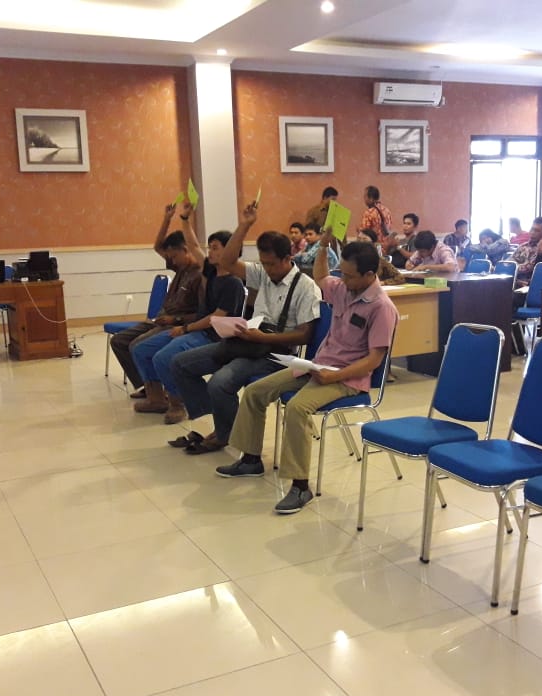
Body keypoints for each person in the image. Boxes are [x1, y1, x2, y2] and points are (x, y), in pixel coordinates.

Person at [217, 235, 398, 515]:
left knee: (297, 408)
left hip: (348, 378)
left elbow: (374, 360)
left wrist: (335, 376)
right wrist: (323, 246)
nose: (343, 280)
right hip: (318, 365)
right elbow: (322, 276)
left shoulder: (382, 308)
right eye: (342, 274)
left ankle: (301, 486)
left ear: (369, 274)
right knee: (255, 392)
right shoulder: (344, 289)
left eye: (349, 276)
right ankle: (251, 459)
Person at [170, 203, 321, 455]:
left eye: (272, 264)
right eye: (263, 263)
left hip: (276, 354)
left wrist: (263, 337)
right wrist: (245, 224)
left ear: (288, 259)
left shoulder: (306, 287)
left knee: (219, 383)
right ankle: (220, 422)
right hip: (247, 342)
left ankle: (225, 434)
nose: (267, 269)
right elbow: (227, 261)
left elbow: (305, 335)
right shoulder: (263, 274)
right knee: (180, 364)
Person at [131, 206, 245, 422]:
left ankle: (178, 403)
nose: (209, 252)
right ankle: (157, 399)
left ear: (230, 250)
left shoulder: (233, 283)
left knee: (163, 358)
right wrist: (184, 219)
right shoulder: (211, 271)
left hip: (211, 336)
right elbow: (192, 245)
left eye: (215, 248)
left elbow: (215, 319)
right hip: (195, 331)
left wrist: (184, 328)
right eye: (210, 248)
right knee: (142, 349)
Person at [110, 204, 203, 398]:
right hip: (161, 320)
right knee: (119, 341)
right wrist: (167, 219)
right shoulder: (181, 267)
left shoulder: (200, 275)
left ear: (186, 250)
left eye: (174, 256)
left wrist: (175, 320)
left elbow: (202, 314)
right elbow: (158, 247)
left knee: (138, 345)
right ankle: (148, 385)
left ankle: (159, 393)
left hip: (176, 323)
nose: (172, 261)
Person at [509, 217, 542, 288]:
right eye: (532, 229)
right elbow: (509, 262)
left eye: (537, 231)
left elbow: (530, 268)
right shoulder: (523, 246)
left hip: (528, 284)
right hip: (514, 280)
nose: (532, 232)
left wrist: (512, 268)